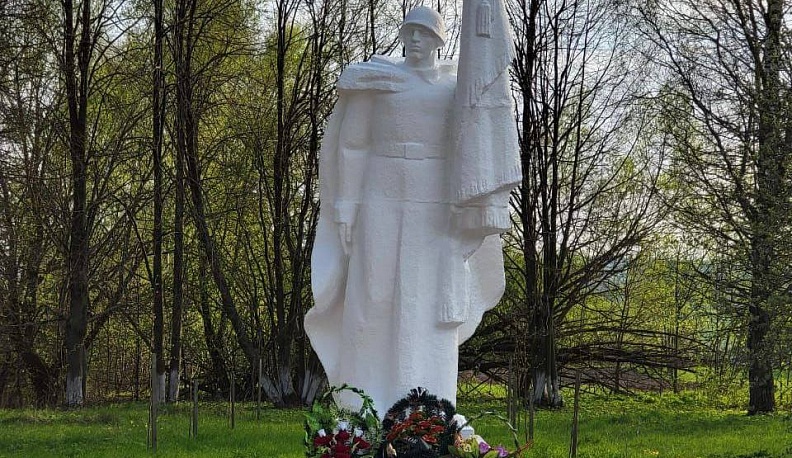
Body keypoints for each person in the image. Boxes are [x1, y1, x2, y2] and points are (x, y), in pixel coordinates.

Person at [305, 4, 519, 415]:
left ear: (439, 40)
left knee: (426, 300)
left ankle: (429, 409)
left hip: (434, 204)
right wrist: (346, 206)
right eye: (410, 32)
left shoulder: (456, 89)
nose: (416, 39)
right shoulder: (377, 80)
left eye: (424, 33)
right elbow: (353, 144)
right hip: (380, 197)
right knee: (372, 294)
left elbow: (474, 137)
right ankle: (363, 407)